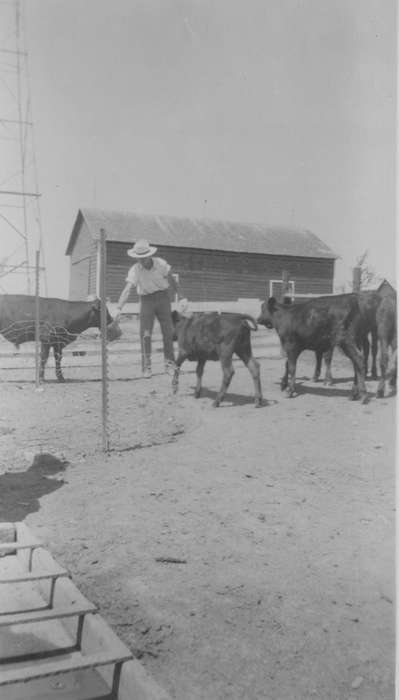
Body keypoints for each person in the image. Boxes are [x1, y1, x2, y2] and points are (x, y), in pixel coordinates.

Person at [114, 239, 187, 378]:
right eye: (138, 258)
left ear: (149, 255)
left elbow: (172, 281)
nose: (140, 260)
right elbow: (128, 289)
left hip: (163, 299)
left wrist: (182, 297)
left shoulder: (161, 264)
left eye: (143, 257)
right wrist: (118, 308)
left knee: (168, 332)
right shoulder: (135, 269)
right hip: (146, 300)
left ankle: (169, 364)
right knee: (145, 334)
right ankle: (146, 367)